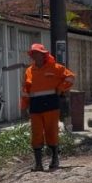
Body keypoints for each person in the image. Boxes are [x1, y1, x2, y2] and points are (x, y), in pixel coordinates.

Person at [21, 43, 75, 171]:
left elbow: (70, 77)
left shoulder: (55, 68)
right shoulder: (29, 71)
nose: (35, 56)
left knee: (51, 132)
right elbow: (25, 90)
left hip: (51, 104)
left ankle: (55, 159)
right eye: (33, 53)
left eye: (38, 53)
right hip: (35, 105)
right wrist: (23, 106)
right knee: (36, 134)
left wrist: (61, 88)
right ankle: (38, 164)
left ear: (43, 55)